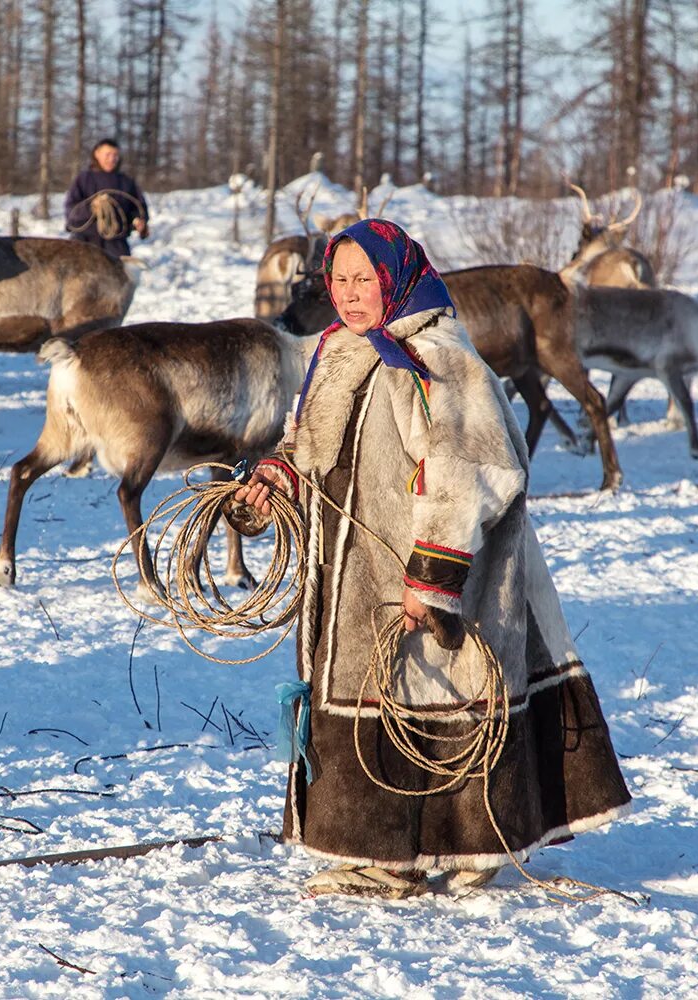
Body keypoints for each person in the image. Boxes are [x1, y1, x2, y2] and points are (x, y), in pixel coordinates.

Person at [231, 219, 632, 899]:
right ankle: (385, 854)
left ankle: (452, 849)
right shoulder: (340, 351)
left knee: (443, 699)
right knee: (380, 702)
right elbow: (312, 446)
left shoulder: (438, 359)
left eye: (365, 279)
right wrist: (277, 475)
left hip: (435, 576)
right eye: (340, 280)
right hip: (356, 578)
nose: (350, 294)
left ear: (394, 278)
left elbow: (474, 468)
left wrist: (434, 576)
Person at [64, 138, 149, 257]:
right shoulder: (83, 179)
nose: (112, 159)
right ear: (97, 154)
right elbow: (71, 212)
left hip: (116, 244)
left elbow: (139, 208)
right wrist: (92, 208)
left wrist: (139, 221)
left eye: (115, 155)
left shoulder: (126, 181)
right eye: (108, 154)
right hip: (85, 242)